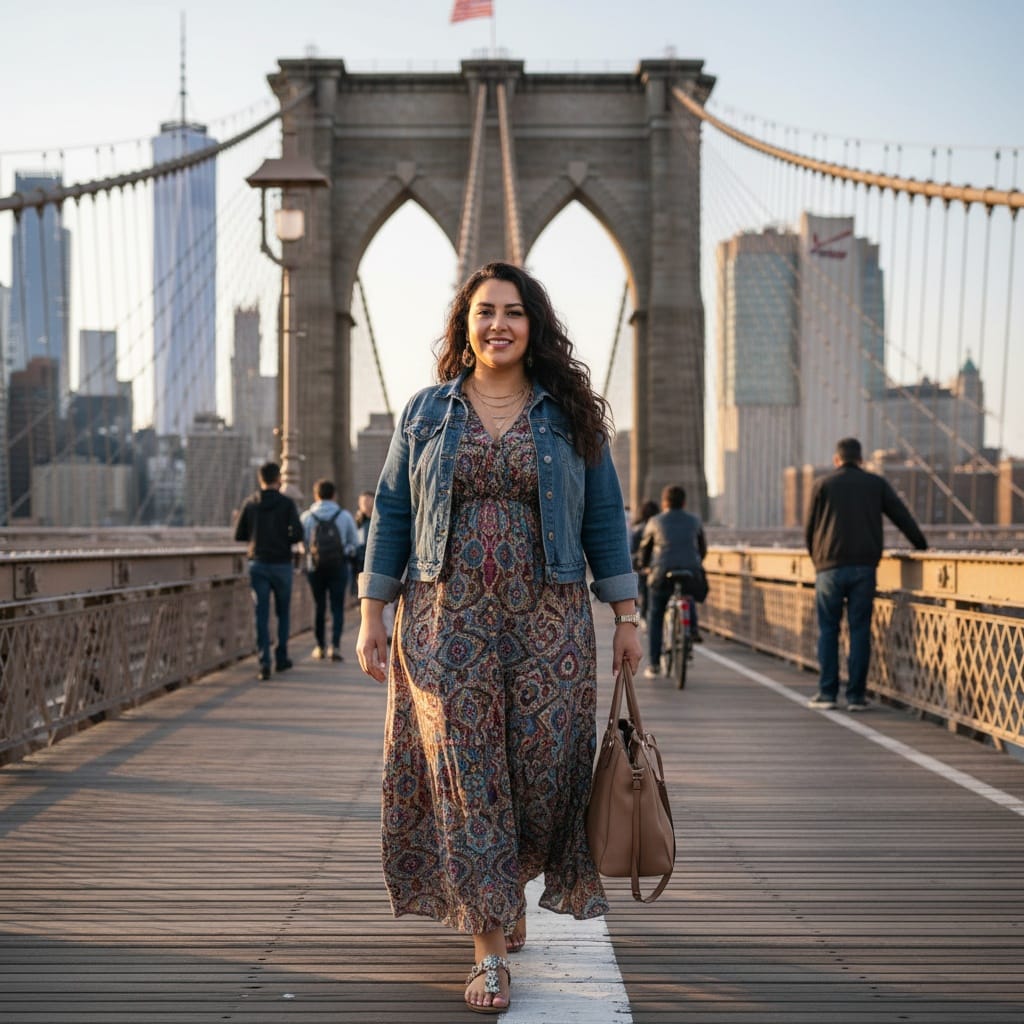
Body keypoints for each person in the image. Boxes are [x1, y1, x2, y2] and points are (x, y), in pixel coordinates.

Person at [355, 261, 641, 1015]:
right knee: (467, 774)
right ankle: (487, 945)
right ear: (465, 324)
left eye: (513, 312)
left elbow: (604, 516)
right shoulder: (426, 413)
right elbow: (391, 511)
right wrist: (372, 610)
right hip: (444, 620)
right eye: (484, 311)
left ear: (532, 325)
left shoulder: (570, 415)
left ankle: (503, 885)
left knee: (545, 771)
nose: (498, 325)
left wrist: (627, 614)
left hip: (550, 617)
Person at [805, 437, 928, 711]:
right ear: (861, 460)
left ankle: (827, 694)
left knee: (828, 630)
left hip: (828, 568)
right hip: (864, 567)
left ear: (836, 460)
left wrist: (818, 560)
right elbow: (901, 516)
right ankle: (856, 697)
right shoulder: (875, 484)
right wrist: (920, 545)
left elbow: (809, 529)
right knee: (860, 630)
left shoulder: (822, 485)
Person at [233, 462, 304, 680]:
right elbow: (298, 534)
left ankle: (264, 662)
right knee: (283, 613)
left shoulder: (250, 503)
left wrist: (257, 535)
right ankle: (281, 658)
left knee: (261, 614)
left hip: (258, 564)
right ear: (278, 479)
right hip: (282, 564)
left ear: (260, 479)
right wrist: (283, 538)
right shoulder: (287, 504)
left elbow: (239, 535)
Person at [638, 484, 708, 678]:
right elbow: (702, 549)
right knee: (687, 593)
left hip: (662, 574)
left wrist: (644, 565)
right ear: (684, 503)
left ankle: (654, 664)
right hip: (690, 573)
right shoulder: (695, 521)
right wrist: (695, 563)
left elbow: (645, 549)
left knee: (656, 615)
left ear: (664, 503)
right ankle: (691, 629)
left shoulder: (654, 521)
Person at [301, 479, 359, 662]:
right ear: (334, 495)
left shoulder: (307, 517)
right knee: (337, 607)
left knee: (319, 607)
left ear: (316, 495)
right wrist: (344, 552)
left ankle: (320, 647)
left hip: (315, 568)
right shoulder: (344, 516)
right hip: (338, 567)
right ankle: (335, 646)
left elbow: (303, 544)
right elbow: (354, 543)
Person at [630, 499, 659, 622]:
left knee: (644, 591)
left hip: (642, 566)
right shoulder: (659, 527)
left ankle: (644, 617)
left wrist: (640, 565)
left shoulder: (637, 529)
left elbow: (633, 550)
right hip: (657, 566)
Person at [349, 490, 374, 605]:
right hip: (359, 560)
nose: (365, 504)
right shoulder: (357, 521)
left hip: (373, 560)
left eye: (368, 501)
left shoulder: (379, 520)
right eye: (362, 502)